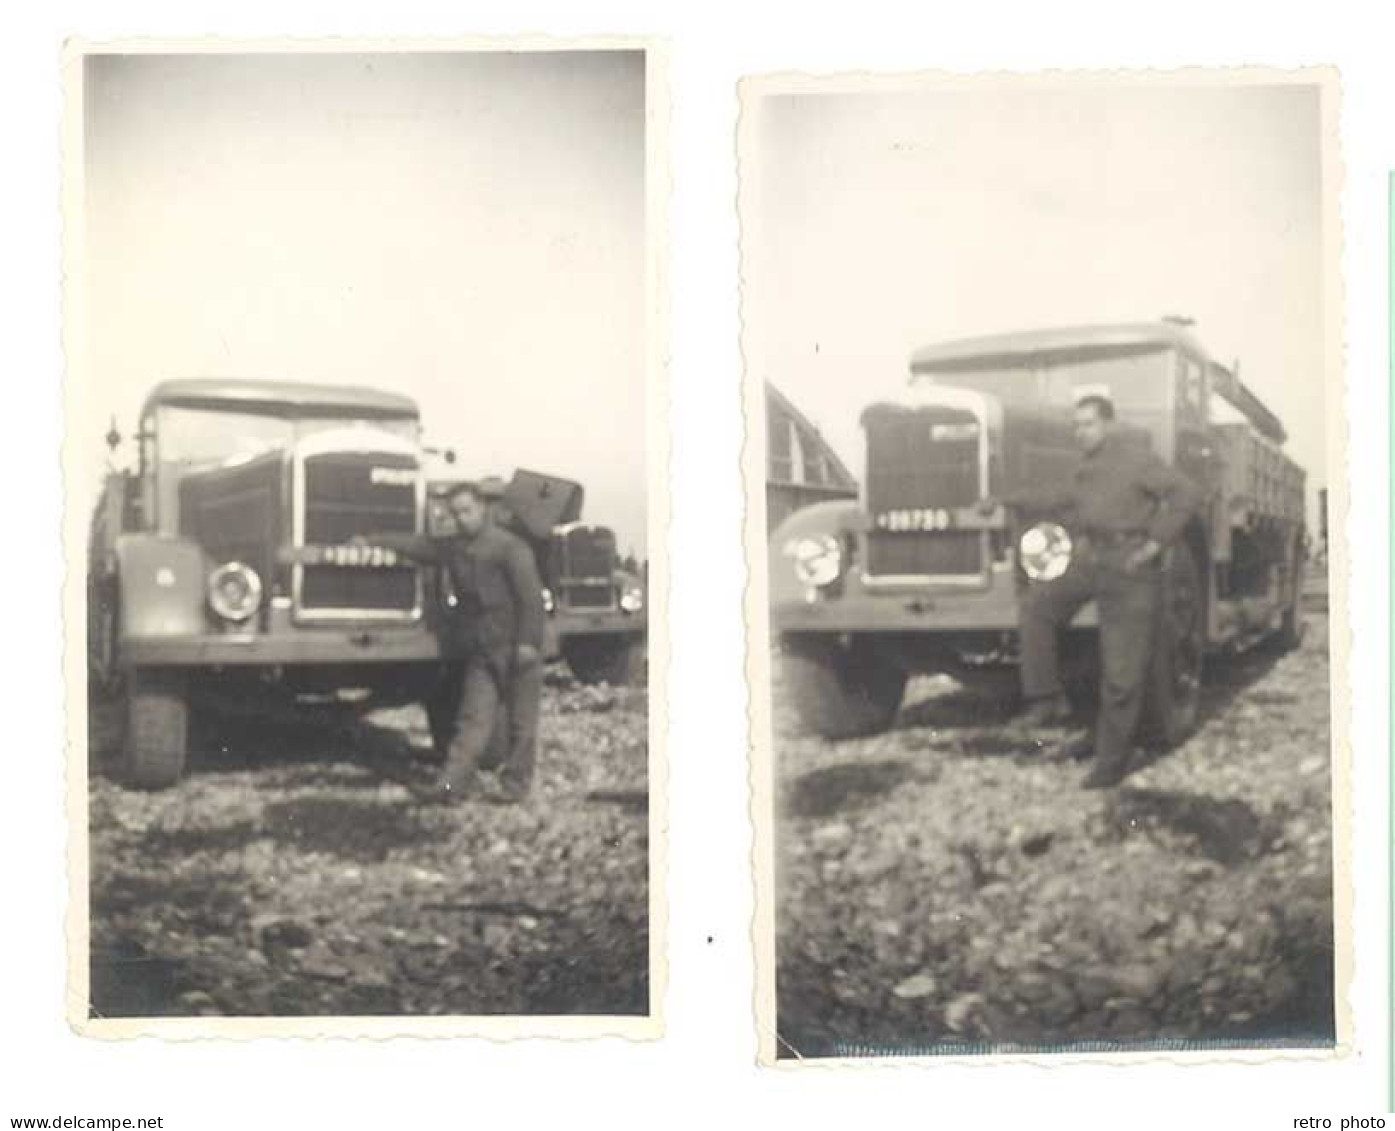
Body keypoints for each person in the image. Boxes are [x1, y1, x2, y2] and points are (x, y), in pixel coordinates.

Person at [982, 394, 1202, 789]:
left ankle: (1111, 764)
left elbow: (1186, 493)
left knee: (1122, 673)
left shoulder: (1137, 459)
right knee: (1037, 608)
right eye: (1078, 426)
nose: (1082, 432)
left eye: (1090, 424)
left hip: (1130, 567)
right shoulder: (1085, 469)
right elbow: (1055, 497)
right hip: (1091, 561)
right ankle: (1047, 698)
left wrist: (1154, 544)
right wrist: (1003, 500)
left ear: (1109, 424)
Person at [358, 480, 546, 804]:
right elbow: (418, 546)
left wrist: (528, 645)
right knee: (472, 720)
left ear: (483, 510)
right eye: (455, 513)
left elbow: (531, 600)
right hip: (482, 649)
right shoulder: (454, 547)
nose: (461, 519)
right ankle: (451, 786)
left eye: (467, 511)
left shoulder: (511, 548)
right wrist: (373, 539)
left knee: (522, 724)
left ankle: (515, 787)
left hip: (516, 646)